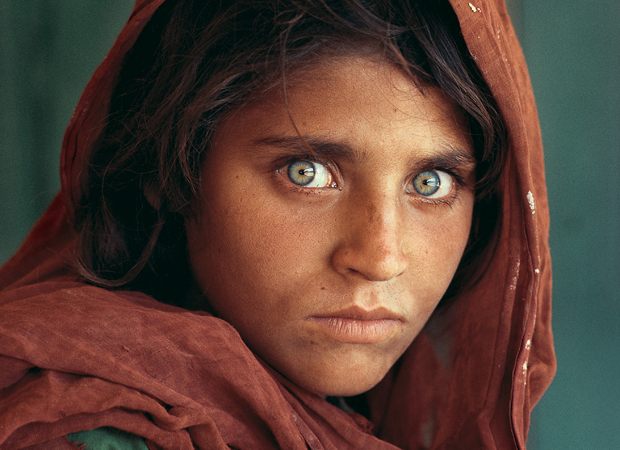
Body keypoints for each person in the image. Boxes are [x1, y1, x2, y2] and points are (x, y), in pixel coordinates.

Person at [0, 0, 555, 448]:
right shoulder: (84, 426)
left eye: (432, 182)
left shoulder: (359, 420)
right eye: (306, 172)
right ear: (169, 171)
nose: (380, 256)